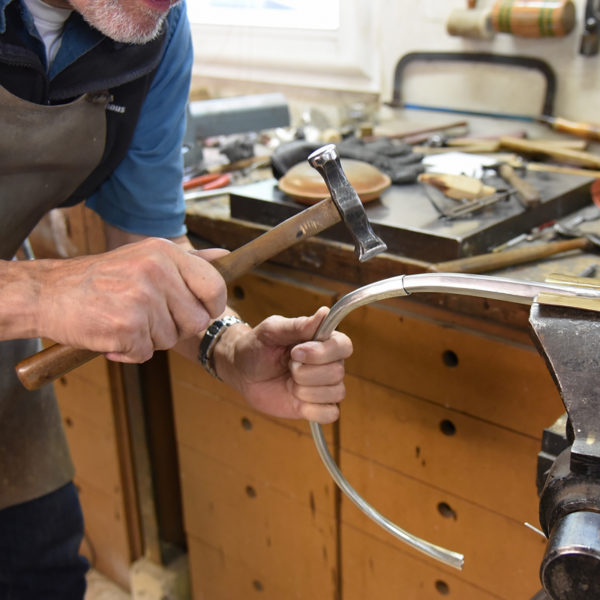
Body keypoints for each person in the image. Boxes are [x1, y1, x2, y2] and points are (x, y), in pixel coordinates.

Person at [0, 0, 353, 597]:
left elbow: (149, 238)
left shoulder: (152, 26)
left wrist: (227, 344)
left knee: (40, 572)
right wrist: (39, 291)